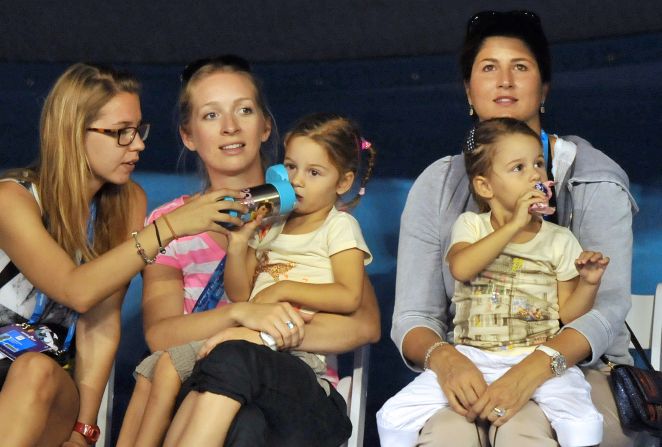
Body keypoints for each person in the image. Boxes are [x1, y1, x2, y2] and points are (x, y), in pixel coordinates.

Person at [384, 10, 638, 447]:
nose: (504, 81)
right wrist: (446, 360)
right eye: (488, 68)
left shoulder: (596, 178)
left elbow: (603, 313)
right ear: (469, 91)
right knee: (447, 435)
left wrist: (529, 373)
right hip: (471, 363)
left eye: (520, 67)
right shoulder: (439, 183)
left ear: (543, 89)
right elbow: (414, 316)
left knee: (524, 429)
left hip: (578, 371)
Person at [116, 57, 381, 447]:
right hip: (207, 391)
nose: (230, 127)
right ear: (188, 135)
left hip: (296, 394)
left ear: (265, 126)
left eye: (244, 110)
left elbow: (364, 325)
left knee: (243, 393)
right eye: (210, 115)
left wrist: (259, 334)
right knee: (244, 422)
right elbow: (162, 335)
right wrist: (240, 314)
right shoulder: (171, 223)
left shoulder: (311, 213)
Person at [0, 63, 256, 447]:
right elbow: (77, 290)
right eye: (121, 133)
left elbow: (99, 323)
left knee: (35, 370)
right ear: (72, 134)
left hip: (46, 382)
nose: (138, 145)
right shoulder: (12, 200)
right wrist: (171, 227)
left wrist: (84, 431)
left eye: (138, 130)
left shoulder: (125, 201)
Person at [378, 117, 610, 447]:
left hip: (536, 357)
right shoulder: (471, 226)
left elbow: (570, 315)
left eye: (539, 164)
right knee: (392, 416)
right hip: (472, 358)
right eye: (518, 167)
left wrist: (589, 284)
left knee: (582, 419)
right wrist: (513, 225)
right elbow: (461, 267)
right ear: (485, 187)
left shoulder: (560, 240)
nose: (534, 174)